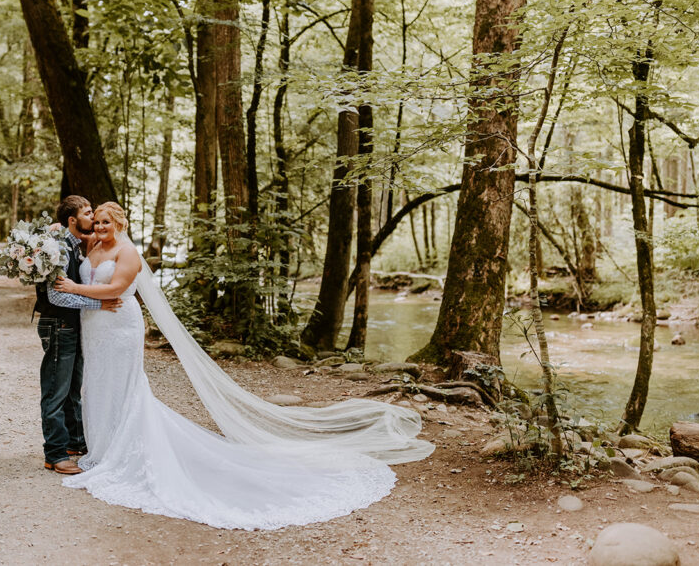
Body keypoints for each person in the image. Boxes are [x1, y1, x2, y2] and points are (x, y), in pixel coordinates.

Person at [49, 201, 433, 530]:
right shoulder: (92, 248)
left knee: (122, 386)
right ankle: (100, 448)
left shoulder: (128, 252)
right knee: (97, 386)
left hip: (119, 328)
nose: (99, 226)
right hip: (95, 328)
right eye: (95, 221)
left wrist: (75, 289)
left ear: (121, 224)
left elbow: (116, 290)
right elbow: (69, 242)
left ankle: (121, 451)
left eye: (106, 222)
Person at [34, 195, 120, 475]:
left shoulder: (76, 245)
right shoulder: (56, 248)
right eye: (87, 213)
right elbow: (56, 297)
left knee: (73, 391)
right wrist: (100, 304)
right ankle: (55, 454)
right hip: (58, 324)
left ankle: (74, 443)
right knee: (56, 392)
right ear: (72, 220)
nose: (93, 217)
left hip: (73, 326)